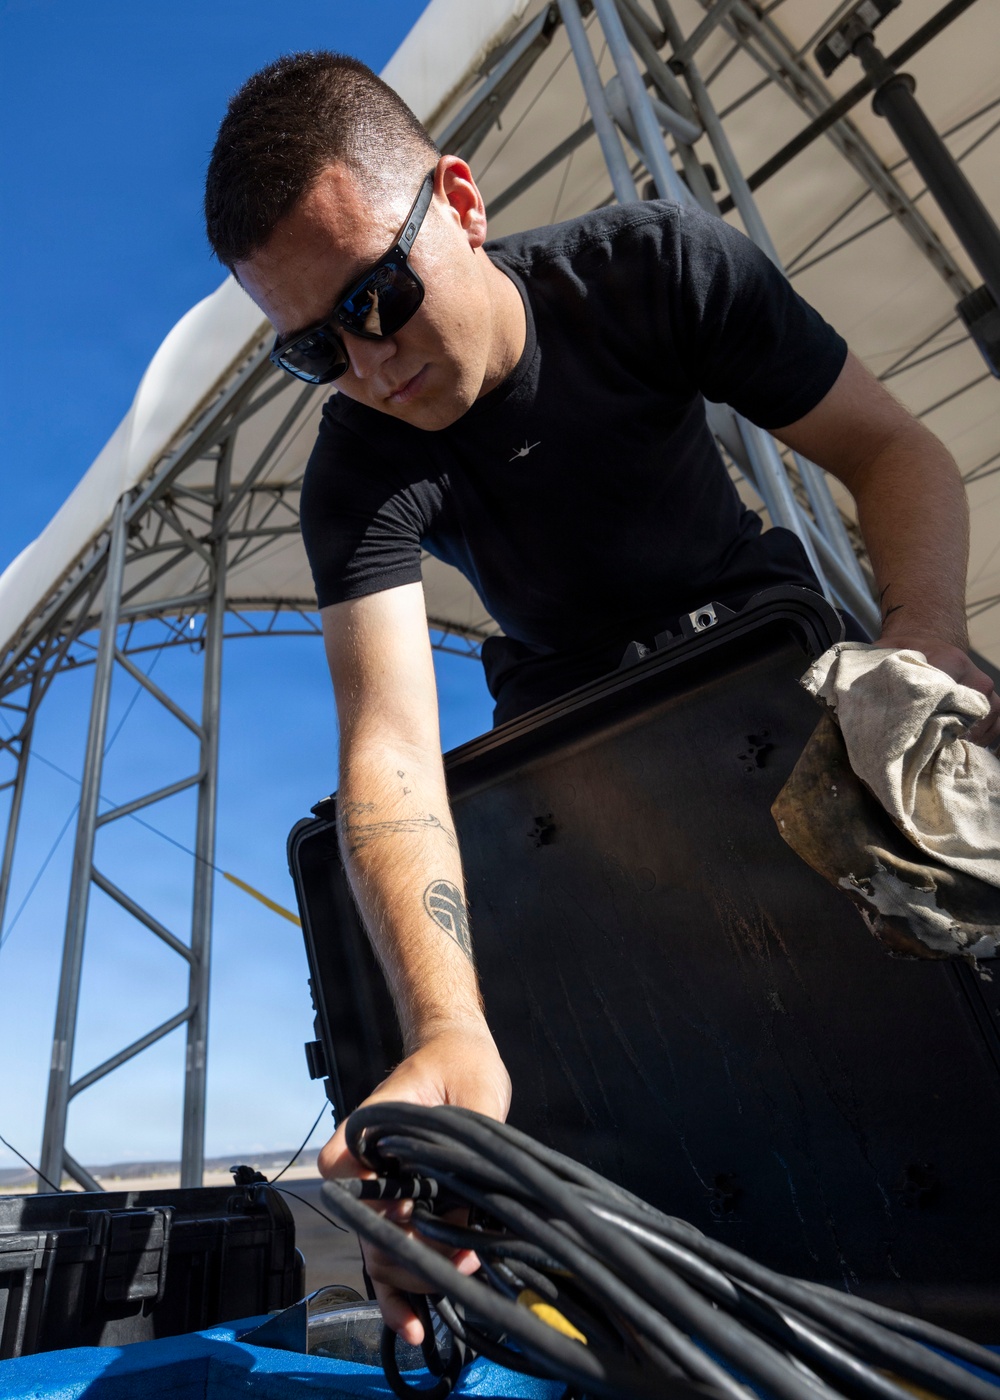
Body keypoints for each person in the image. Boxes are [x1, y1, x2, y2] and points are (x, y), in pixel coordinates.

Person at [204, 51, 1000, 1341]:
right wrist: (448, 1022)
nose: (367, 360)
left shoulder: (653, 269)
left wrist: (925, 644)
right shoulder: (359, 470)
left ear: (459, 201)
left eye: (380, 295)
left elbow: (892, 450)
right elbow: (394, 753)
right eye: (312, 348)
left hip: (763, 651)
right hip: (569, 739)